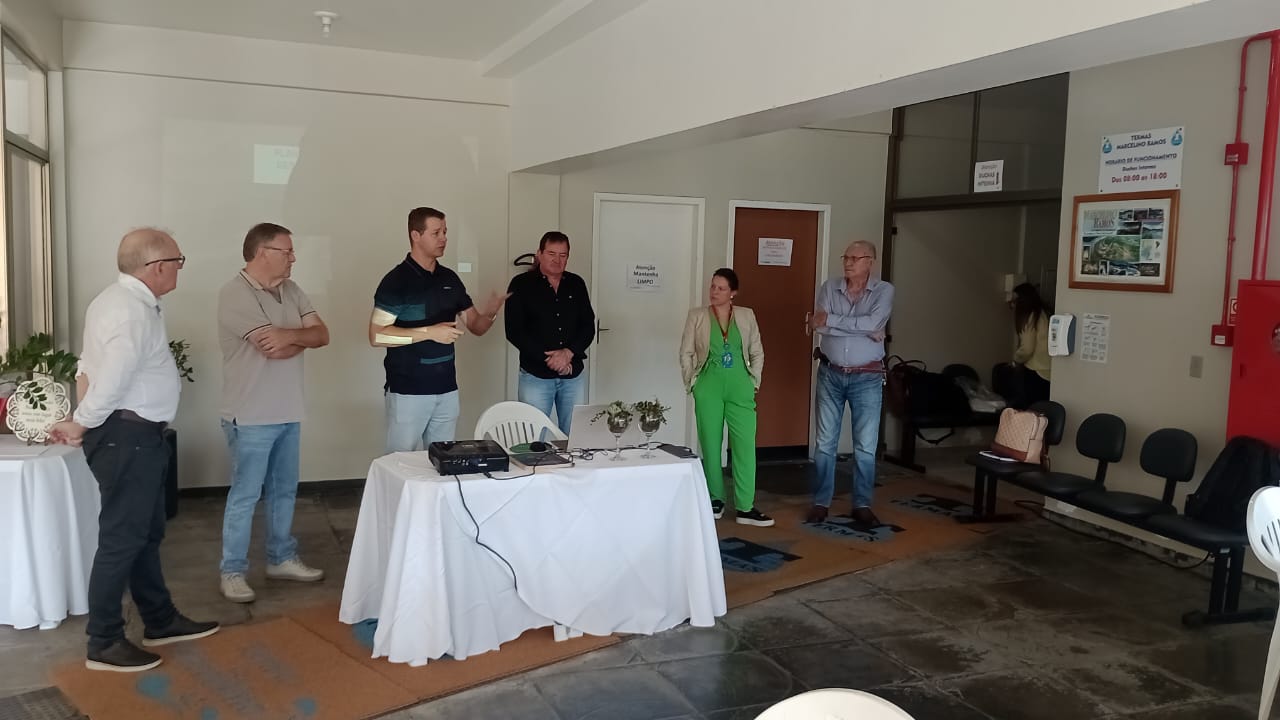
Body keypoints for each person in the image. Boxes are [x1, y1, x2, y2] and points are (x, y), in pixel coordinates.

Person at [49, 228, 219, 672]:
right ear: (158, 267)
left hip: (131, 436)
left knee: (145, 534)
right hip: (128, 438)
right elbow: (112, 378)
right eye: (178, 261)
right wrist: (83, 422)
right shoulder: (130, 311)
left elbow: (87, 368)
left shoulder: (117, 301)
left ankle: (160, 620)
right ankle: (104, 641)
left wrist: (87, 422)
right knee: (123, 539)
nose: (180, 268)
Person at [217, 223, 330, 603]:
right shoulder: (234, 294)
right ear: (263, 253)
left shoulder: (291, 290)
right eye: (287, 251)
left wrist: (289, 335)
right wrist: (299, 337)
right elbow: (273, 349)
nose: (293, 257)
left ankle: (280, 557)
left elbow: (322, 335)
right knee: (245, 495)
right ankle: (232, 570)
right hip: (250, 415)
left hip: (288, 409)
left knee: (284, 490)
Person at [369, 207, 509, 451]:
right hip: (408, 391)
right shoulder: (396, 281)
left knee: (442, 462)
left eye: (445, 232)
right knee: (400, 463)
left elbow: (476, 326)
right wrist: (429, 332)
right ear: (415, 235)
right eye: (436, 233)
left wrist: (491, 312)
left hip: (447, 390)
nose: (443, 238)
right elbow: (377, 335)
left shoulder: (449, 279)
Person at [808, 240, 894, 526]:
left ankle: (862, 504)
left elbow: (871, 322)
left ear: (870, 262)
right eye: (846, 257)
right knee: (824, 443)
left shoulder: (884, 291)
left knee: (866, 446)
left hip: (867, 377)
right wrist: (866, 327)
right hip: (830, 373)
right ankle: (821, 502)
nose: (848, 262)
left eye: (855, 258)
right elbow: (818, 325)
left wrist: (834, 320)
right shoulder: (829, 287)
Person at [679, 268, 772, 526]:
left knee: (745, 445)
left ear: (733, 292)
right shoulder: (697, 315)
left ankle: (745, 506)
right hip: (708, 384)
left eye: (721, 288)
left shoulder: (746, 315)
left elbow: (757, 351)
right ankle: (715, 499)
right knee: (710, 443)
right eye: (712, 286)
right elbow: (686, 352)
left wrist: (754, 381)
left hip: (740, 385)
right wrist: (692, 383)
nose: (714, 292)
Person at [505, 231, 595, 435]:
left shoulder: (576, 284)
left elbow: (587, 326)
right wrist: (551, 359)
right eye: (551, 254)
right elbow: (514, 331)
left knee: (575, 438)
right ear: (539, 254)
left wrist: (568, 353)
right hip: (536, 375)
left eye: (563, 255)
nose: (557, 260)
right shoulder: (521, 284)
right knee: (533, 437)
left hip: (572, 374)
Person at [1008, 282, 1051, 408]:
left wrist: (1016, 360)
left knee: (1032, 409)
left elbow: (1027, 348)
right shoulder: (1043, 313)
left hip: (1036, 370)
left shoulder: (1029, 316)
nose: (1012, 304)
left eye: (1015, 300)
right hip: (1048, 370)